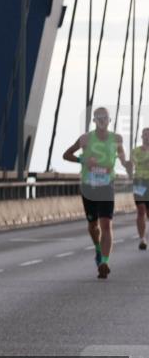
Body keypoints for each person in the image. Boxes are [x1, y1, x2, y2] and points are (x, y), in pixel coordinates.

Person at [62, 107, 132, 278]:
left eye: (105, 117)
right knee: (93, 226)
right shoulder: (85, 138)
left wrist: (126, 164)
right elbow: (66, 155)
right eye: (98, 117)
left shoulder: (116, 139)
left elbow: (122, 157)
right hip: (88, 186)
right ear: (94, 120)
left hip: (107, 186)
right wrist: (83, 159)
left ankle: (104, 262)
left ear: (110, 120)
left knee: (106, 225)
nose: (102, 120)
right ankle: (98, 250)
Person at [127, 126, 149, 250]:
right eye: (145, 134)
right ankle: (142, 239)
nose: (147, 136)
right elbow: (135, 162)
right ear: (141, 136)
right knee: (141, 210)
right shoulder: (135, 151)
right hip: (139, 183)